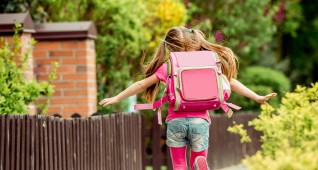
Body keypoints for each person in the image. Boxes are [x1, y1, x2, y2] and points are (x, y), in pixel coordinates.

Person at [99, 26, 277, 170]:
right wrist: (257, 97)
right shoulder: (209, 62)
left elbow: (141, 85)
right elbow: (232, 83)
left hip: (176, 120)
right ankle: (199, 163)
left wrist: (116, 97)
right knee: (198, 157)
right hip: (200, 121)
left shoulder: (168, 66)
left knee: (178, 164)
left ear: (171, 47)